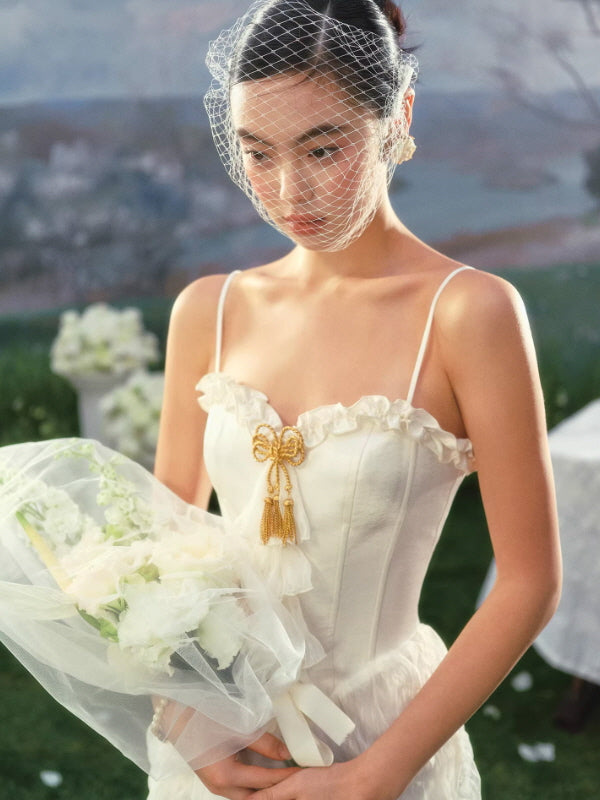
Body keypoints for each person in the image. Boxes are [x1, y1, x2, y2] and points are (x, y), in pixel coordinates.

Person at [148, 1, 562, 798]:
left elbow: (529, 583)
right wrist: (187, 721)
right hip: (219, 742)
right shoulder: (210, 308)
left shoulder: (469, 313)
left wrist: (377, 775)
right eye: (256, 153)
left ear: (399, 114)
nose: (286, 189)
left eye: (323, 147)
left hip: (384, 737)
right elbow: (168, 541)